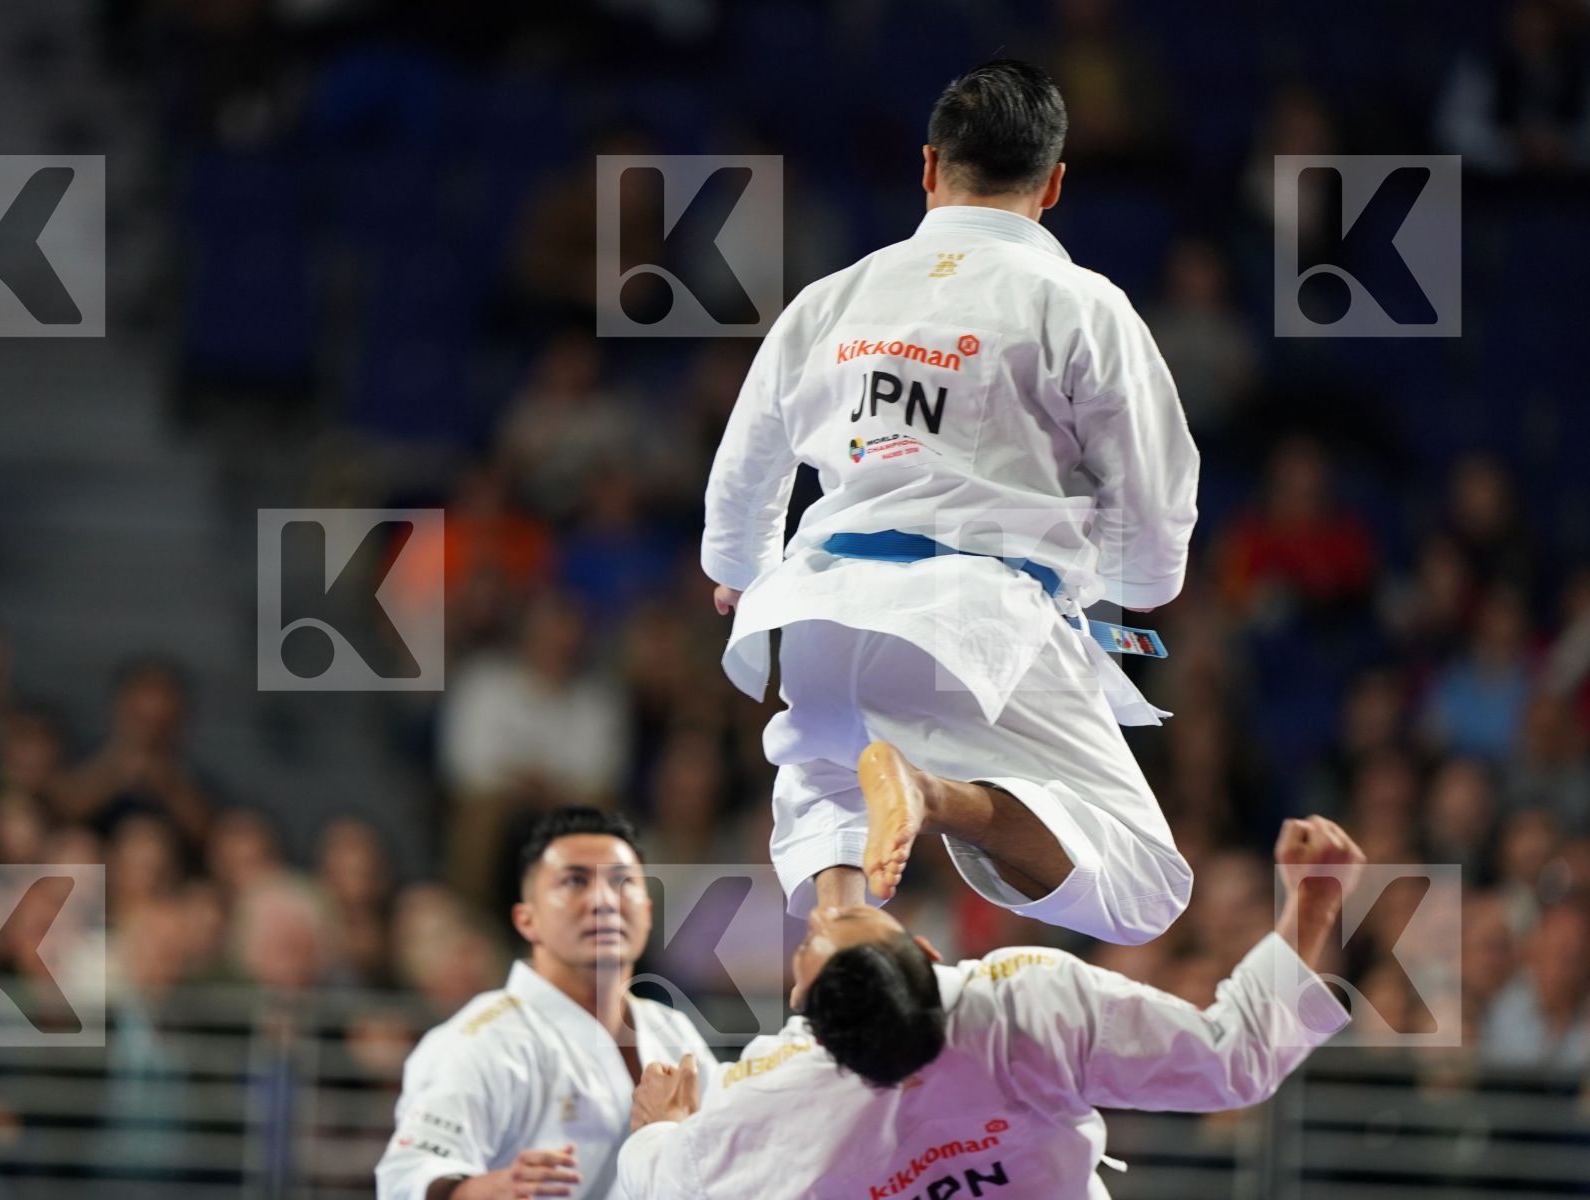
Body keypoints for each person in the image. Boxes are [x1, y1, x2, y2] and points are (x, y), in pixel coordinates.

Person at [701, 58, 1199, 943]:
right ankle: (937, 796)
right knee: (1142, 888)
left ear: (929, 167)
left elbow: (746, 470)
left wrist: (739, 572)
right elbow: (1155, 506)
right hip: (980, 619)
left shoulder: (828, 301)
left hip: (821, 605)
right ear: (1053, 186)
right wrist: (1123, 588)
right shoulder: (1081, 305)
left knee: (824, 796)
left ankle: (844, 943)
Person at [617, 818, 1364, 1200]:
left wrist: (661, 1130)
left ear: (804, 1016)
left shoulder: (776, 1089)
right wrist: (1312, 908)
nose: (820, 915)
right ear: (929, 950)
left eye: (816, 931)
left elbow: (669, 1184)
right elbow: (1232, 1064)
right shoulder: (1023, 1006)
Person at [375, 808, 718, 1200]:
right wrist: (485, 1190)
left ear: (648, 912)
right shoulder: (482, 1040)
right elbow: (406, 1178)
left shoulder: (672, 1030)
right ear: (527, 920)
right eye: (575, 881)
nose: (603, 901)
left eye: (622, 882)